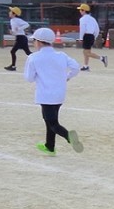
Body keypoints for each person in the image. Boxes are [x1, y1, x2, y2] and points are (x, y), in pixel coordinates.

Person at [24, 27, 83, 156]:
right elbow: (76, 68)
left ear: (39, 42)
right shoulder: (61, 55)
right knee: (50, 120)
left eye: (34, 41)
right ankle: (49, 147)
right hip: (59, 94)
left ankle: (69, 136)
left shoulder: (33, 57)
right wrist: (67, 77)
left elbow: (29, 78)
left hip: (45, 95)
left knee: (52, 123)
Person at [77, 3, 107, 71]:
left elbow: (82, 29)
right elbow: (97, 29)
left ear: (84, 11)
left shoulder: (82, 19)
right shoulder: (93, 19)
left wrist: (80, 38)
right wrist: (95, 37)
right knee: (86, 51)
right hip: (91, 36)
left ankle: (102, 58)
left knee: (86, 52)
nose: (80, 11)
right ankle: (86, 66)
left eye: (81, 10)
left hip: (86, 36)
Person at [4, 6, 32, 71]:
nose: (9, 12)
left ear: (14, 14)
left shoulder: (17, 20)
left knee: (13, 51)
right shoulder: (12, 20)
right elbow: (15, 31)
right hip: (21, 37)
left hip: (21, 38)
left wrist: (19, 29)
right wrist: (12, 32)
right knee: (28, 52)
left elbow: (27, 24)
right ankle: (40, 59)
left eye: (11, 12)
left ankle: (13, 66)